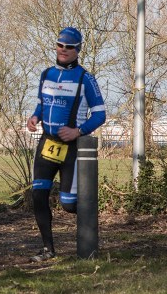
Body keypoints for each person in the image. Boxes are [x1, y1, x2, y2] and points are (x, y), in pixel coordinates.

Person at [25, 27, 106, 261]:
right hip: (47, 144)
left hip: (71, 149)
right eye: (60, 45)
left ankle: (89, 241)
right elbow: (41, 103)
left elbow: (100, 114)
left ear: (77, 50)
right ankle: (48, 249)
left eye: (69, 47)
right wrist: (35, 117)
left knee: (69, 205)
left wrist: (77, 131)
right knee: (38, 196)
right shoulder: (46, 74)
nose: (63, 50)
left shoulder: (85, 78)